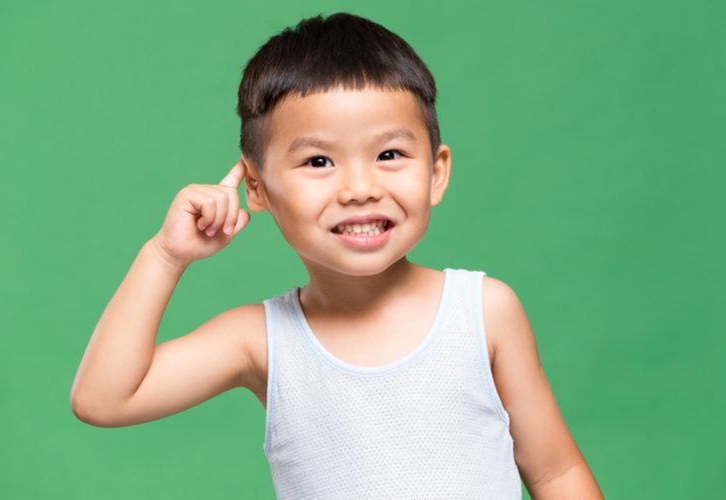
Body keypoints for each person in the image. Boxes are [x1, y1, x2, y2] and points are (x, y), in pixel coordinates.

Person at [70, 12, 603, 499]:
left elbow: (556, 473)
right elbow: (104, 399)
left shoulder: (483, 310)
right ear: (256, 188)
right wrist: (166, 256)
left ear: (436, 172)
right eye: (320, 160)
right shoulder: (259, 340)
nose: (359, 188)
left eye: (389, 154)